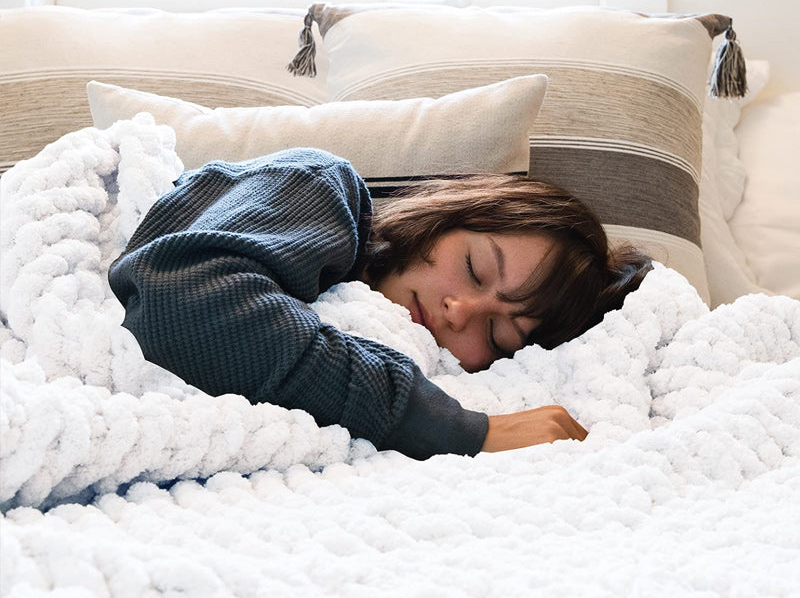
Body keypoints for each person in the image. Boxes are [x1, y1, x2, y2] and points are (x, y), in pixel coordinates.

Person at [109, 148, 651, 460]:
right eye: (474, 268)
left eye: (495, 337)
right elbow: (184, 302)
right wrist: (466, 430)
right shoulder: (320, 188)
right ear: (447, 215)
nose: (459, 311)